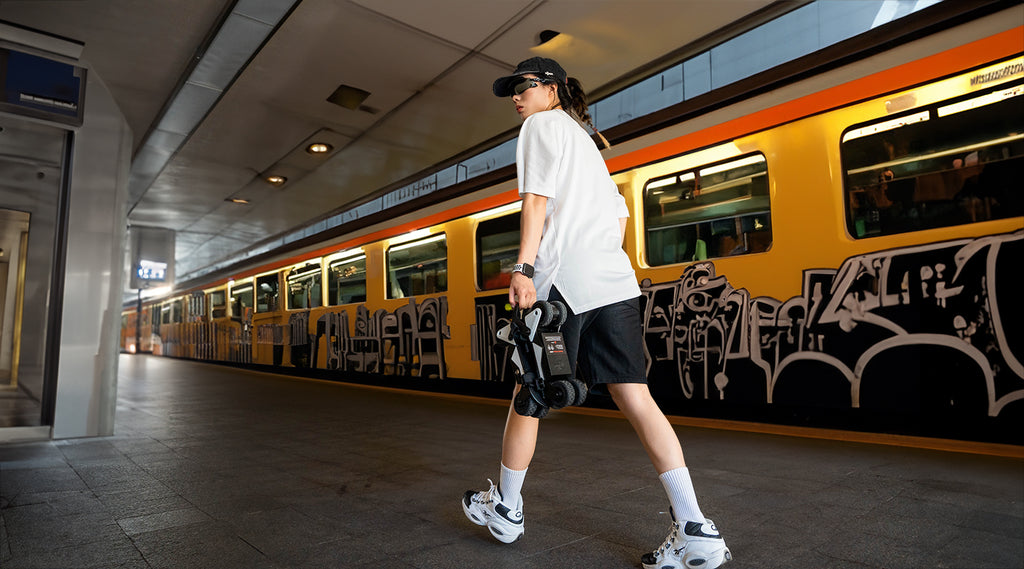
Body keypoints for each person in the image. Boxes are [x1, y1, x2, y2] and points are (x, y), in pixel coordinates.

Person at [461, 56, 732, 569]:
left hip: (565, 280)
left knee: (531, 390)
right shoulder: (588, 143)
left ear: (553, 90)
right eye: (513, 91)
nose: (517, 97)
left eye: (525, 86)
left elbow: (535, 202)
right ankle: (695, 527)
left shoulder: (542, 126)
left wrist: (523, 267)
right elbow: (621, 216)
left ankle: (507, 507)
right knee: (636, 397)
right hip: (615, 282)